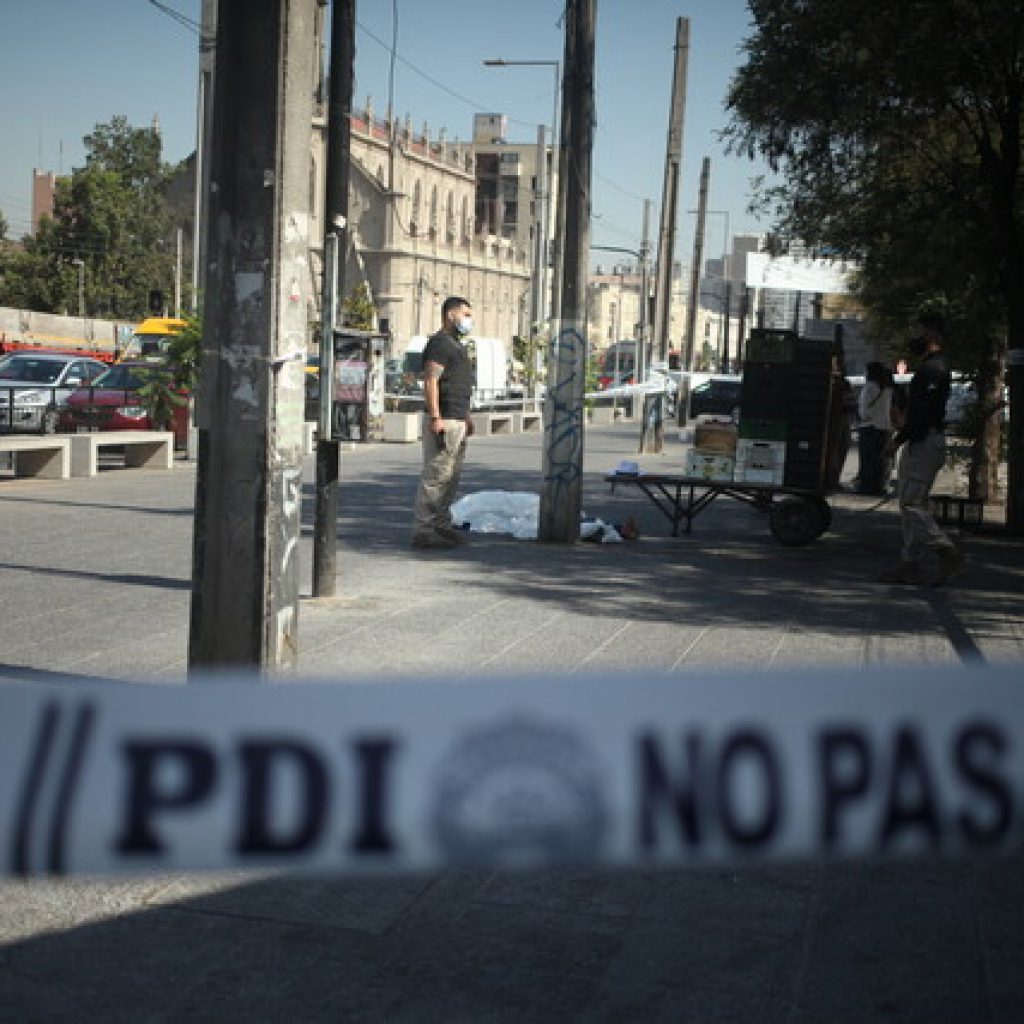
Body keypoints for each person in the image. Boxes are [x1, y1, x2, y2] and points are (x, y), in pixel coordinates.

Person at [878, 312, 963, 585]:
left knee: (912, 503)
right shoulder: (929, 366)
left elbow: (924, 415)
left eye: (922, 330)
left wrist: (897, 440)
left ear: (934, 335)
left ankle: (944, 548)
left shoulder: (934, 369)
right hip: (921, 440)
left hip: (924, 441)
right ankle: (910, 562)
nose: (918, 336)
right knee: (909, 503)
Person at [411, 296, 476, 550]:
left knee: (451, 476)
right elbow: (431, 381)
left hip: (457, 418)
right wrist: (436, 416)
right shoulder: (439, 344)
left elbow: (459, 383)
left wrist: (467, 416)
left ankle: (441, 525)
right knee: (436, 476)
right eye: (466, 314)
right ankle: (424, 530)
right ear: (451, 315)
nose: (469, 320)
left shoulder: (456, 345)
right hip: (444, 419)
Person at [856, 361, 894, 495]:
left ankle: (866, 486)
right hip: (883, 427)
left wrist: (862, 418)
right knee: (878, 460)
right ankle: (877, 486)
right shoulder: (886, 389)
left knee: (867, 458)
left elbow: (864, 410)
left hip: (869, 426)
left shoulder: (870, 387)